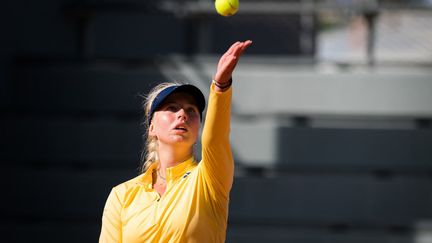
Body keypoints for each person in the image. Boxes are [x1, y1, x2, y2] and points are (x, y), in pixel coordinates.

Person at [99, 40, 252, 243]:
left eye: (191, 111)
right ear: (151, 126)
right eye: (171, 108)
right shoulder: (122, 195)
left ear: (198, 127)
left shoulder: (209, 179)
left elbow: (216, 138)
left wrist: (220, 87)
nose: (182, 115)